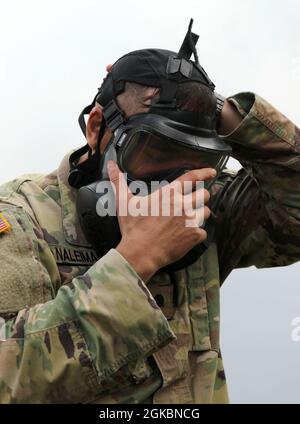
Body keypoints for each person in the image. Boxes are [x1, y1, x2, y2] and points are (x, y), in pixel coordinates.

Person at [0, 24, 300, 404]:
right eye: (155, 153)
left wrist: (225, 112)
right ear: (98, 128)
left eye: (196, 162)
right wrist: (135, 261)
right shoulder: (21, 221)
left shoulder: (201, 203)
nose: (173, 185)